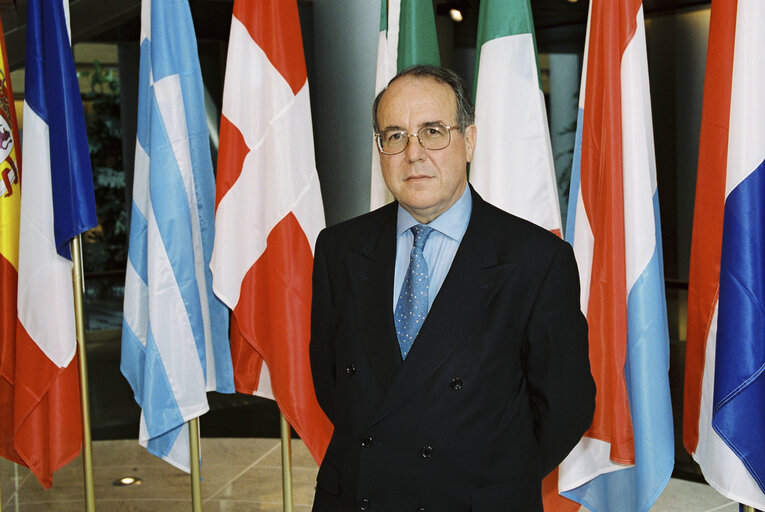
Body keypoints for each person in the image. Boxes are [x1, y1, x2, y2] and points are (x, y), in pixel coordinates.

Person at [309, 65, 595, 512]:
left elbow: (566, 406)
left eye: (433, 132)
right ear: (380, 149)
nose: (413, 153)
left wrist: (488, 481)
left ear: (469, 142)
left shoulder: (537, 259)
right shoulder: (339, 249)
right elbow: (331, 385)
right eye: (395, 136)